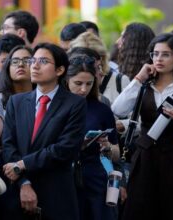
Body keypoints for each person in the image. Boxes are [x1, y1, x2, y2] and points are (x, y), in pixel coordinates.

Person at [112, 33, 173, 220]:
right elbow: (117, 108)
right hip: (144, 159)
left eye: (166, 54)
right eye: (155, 54)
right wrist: (139, 78)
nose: (159, 59)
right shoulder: (144, 84)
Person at [1, 43, 86, 220]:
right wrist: (24, 182)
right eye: (33, 60)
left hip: (57, 192)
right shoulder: (16, 102)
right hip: (19, 190)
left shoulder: (74, 103)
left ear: (60, 70)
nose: (35, 65)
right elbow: (8, 145)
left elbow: (65, 148)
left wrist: (23, 164)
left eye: (44, 61)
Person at [66, 54, 119, 220]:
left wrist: (107, 147)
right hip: (65, 177)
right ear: (66, 80)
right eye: (78, 83)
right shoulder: (56, 106)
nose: (83, 89)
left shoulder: (101, 109)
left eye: (89, 83)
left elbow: (116, 152)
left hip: (95, 178)